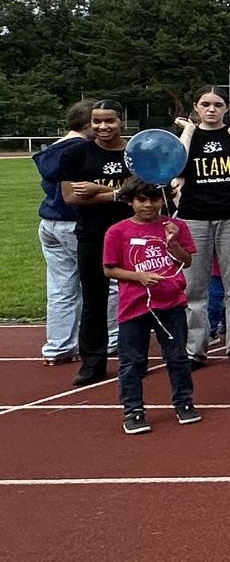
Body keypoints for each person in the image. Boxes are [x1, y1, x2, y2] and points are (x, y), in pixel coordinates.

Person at [174, 86, 230, 370]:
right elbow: (175, 169)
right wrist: (188, 132)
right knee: (193, 289)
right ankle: (195, 350)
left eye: (218, 104)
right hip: (194, 217)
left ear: (226, 108)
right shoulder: (187, 137)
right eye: (205, 104)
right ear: (196, 107)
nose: (211, 109)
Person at [103, 180, 198, 434]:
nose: (148, 205)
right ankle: (133, 409)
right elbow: (109, 269)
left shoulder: (175, 226)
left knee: (177, 356)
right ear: (130, 201)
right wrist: (139, 277)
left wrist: (173, 242)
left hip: (171, 302)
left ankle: (183, 401)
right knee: (132, 360)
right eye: (141, 200)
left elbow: (187, 261)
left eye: (154, 199)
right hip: (134, 305)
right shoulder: (117, 231)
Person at [58, 99, 132, 387]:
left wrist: (100, 190)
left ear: (121, 121)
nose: (103, 127)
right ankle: (93, 363)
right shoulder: (77, 154)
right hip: (93, 233)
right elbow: (71, 197)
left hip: (132, 232)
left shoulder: (135, 153)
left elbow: (143, 193)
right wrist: (120, 192)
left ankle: (134, 356)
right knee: (93, 300)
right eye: (97, 121)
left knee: (137, 295)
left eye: (109, 121)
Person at [34, 101, 92, 367]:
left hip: (49, 222)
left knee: (60, 288)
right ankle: (112, 338)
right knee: (105, 283)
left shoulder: (51, 151)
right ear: (88, 124)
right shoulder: (82, 150)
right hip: (75, 222)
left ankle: (57, 346)